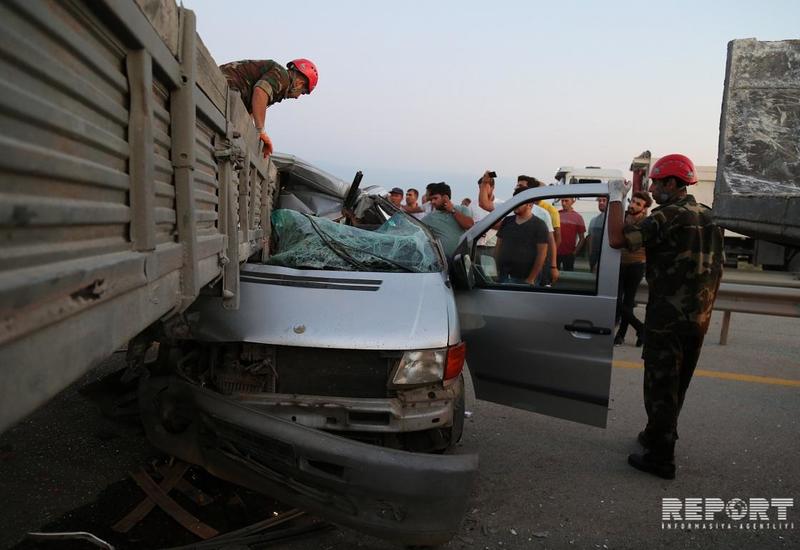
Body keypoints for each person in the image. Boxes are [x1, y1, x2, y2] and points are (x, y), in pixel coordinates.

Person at [607, 154, 724, 480]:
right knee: (677, 383)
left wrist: (615, 198)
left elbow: (617, 240)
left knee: (660, 385)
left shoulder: (667, 215)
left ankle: (661, 458)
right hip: (699, 318)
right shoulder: (710, 215)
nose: (652, 189)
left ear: (672, 183)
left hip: (668, 317)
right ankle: (657, 434)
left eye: (656, 183)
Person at [220, 58, 318, 158]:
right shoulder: (282, 77)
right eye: (302, 92)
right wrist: (261, 131)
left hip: (228, 94)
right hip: (224, 88)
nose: (298, 97)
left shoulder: (278, 82)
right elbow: (260, 91)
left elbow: (251, 110)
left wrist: (255, 136)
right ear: (299, 83)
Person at [614, 191, 652, 347]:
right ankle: (640, 328)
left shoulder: (646, 222)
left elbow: (633, 241)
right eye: (632, 201)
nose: (632, 205)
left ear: (644, 208)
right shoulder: (623, 218)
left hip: (636, 265)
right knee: (617, 301)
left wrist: (626, 226)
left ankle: (621, 335)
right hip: (620, 264)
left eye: (638, 204)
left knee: (628, 302)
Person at [495, 189, 550, 285]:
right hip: (503, 276)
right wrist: (495, 269)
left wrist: (531, 278)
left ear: (530, 205)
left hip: (525, 279)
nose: (515, 205)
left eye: (519, 202)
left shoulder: (539, 225)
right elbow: (498, 246)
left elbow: (542, 254)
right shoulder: (507, 221)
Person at [421, 182, 474, 257]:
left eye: (435, 198)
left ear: (445, 198)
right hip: (443, 261)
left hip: (463, 260)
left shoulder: (462, 209)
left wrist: (452, 210)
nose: (433, 202)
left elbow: (469, 225)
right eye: (431, 199)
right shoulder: (429, 218)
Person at [556, 197, 586, 271]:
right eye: (562, 201)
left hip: (569, 254)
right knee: (552, 275)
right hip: (555, 253)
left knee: (569, 274)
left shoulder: (578, 217)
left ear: (573, 201)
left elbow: (582, 238)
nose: (563, 203)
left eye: (566, 201)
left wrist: (574, 253)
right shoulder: (556, 214)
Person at [587, 197, 608, 272]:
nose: (601, 202)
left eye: (604, 200)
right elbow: (590, 238)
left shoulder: (611, 220)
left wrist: (599, 262)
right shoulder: (594, 220)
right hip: (593, 258)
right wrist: (590, 255)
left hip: (606, 259)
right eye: (599, 201)